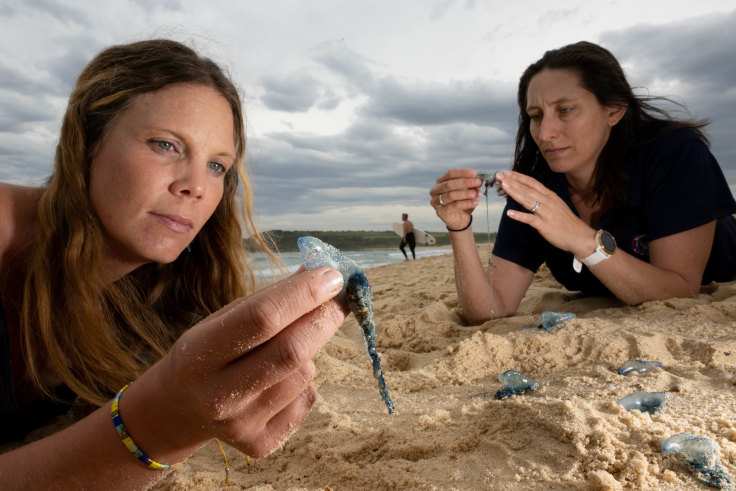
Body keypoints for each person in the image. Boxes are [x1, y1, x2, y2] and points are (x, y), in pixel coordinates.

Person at [0, 39, 349, 488]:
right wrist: (153, 427)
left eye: (218, 166)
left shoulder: (162, 306)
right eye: (165, 145)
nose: (196, 186)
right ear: (86, 141)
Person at [430, 41, 736, 325]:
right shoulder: (536, 188)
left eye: (565, 110)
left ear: (614, 110)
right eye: (536, 115)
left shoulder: (674, 153)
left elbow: (681, 290)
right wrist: (459, 227)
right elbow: (491, 311)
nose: (545, 133)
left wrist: (582, 239)